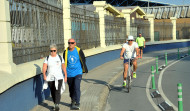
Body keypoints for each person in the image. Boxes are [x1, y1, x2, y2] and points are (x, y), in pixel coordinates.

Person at [63, 38, 88, 110]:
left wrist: (83, 69)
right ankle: (73, 100)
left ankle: (77, 103)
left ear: (75, 43)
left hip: (78, 72)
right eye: (69, 43)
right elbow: (64, 62)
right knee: (71, 88)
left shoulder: (79, 50)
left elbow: (83, 59)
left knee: (76, 87)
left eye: (72, 43)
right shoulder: (66, 52)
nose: (70, 44)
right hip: (69, 73)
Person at [42, 44, 67, 111]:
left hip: (59, 77)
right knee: (52, 91)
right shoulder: (47, 58)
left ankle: (57, 104)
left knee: (57, 91)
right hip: (50, 78)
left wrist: (65, 75)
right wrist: (44, 75)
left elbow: (63, 66)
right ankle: (55, 103)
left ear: (56, 50)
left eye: (54, 50)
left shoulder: (60, 57)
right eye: (51, 51)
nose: (53, 52)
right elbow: (44, 67)